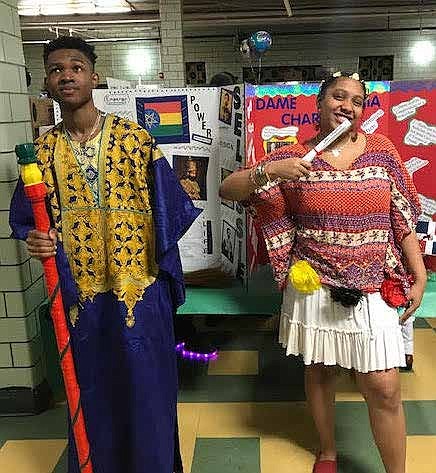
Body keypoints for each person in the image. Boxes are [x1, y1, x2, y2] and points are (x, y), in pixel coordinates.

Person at [9, 36, 201, 473]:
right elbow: (28, 221)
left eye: (76, 67)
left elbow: (173, 210)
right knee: (92, 391)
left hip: (140, 291)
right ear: (47, 82)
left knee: (148, 393)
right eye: (57, 69)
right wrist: (35, 240)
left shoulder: (135, 140)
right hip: (82, 297)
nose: (67, 75)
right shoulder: (40, 154)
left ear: (94, 77)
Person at [219, 72, 427, 473]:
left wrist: (417, 273)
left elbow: (401, 219)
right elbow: (230, 189)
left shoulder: (382, 151)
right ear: (318, 103)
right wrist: (272, 171)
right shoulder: (295, 157)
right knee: (320, 370)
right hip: (314, 285)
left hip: (374, 285)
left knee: (383, 387)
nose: (347, 105)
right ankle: (327, 450)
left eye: (356, 100)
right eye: (338, 96)